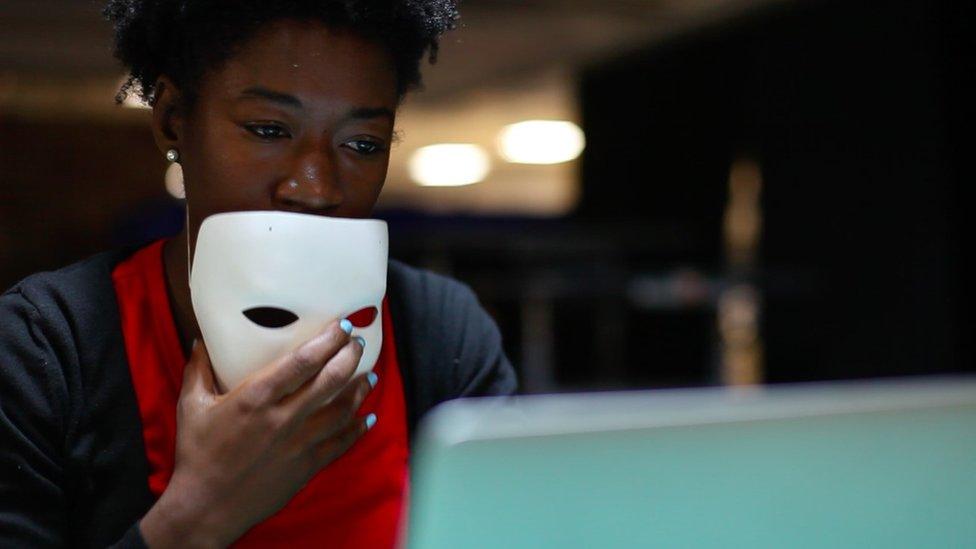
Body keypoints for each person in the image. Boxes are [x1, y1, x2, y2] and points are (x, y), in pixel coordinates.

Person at [0, 1, 517, 547]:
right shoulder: (44, 351)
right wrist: (201, 513)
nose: (316, 187)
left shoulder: (441, 332)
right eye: (269, 129)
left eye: (362, 144)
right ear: (173, 120)